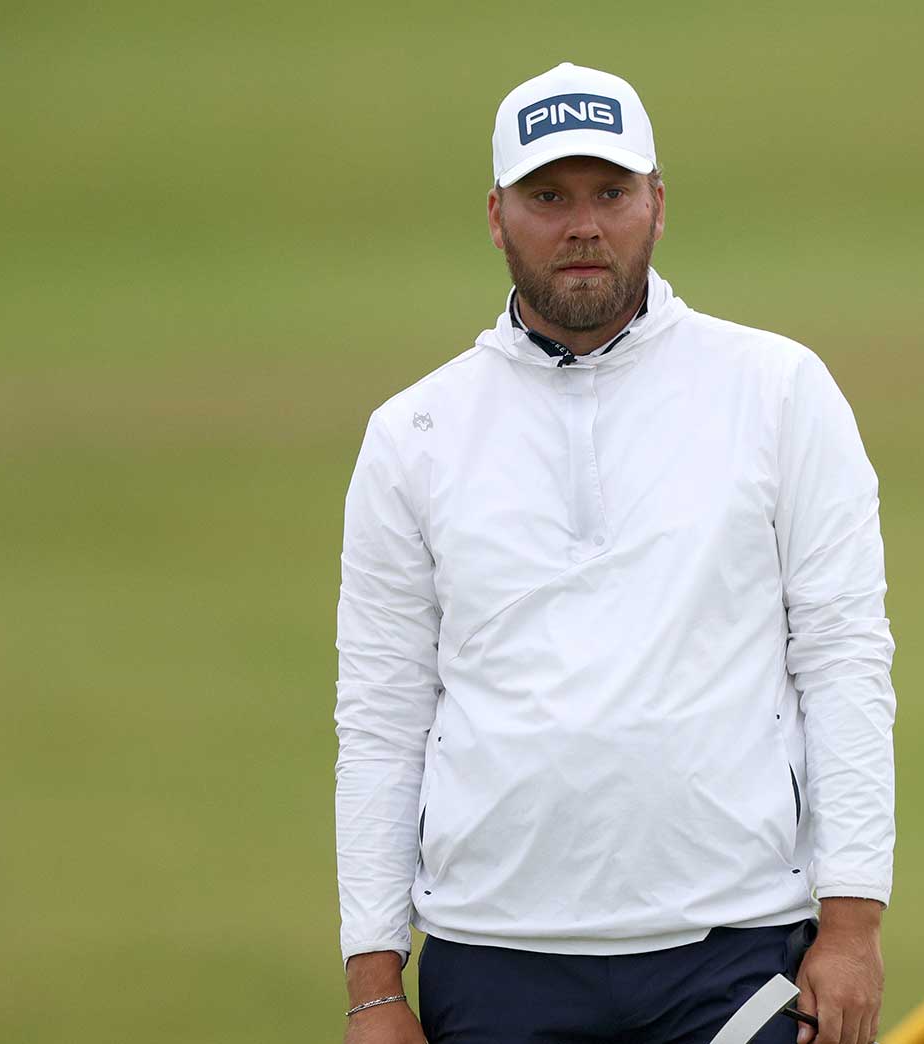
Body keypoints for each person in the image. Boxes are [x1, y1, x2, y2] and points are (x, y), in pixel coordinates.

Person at [334, 62, 894, 1044]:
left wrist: (849, 922)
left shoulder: (776, 390)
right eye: (548, 196)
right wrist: (375, 988)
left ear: (658, 203)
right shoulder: (413, 433)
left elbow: (845, 659)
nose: (582, 224)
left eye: (610, 193)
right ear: (498, 214)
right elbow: (383, 713)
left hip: (735, 944)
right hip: (496, 955)